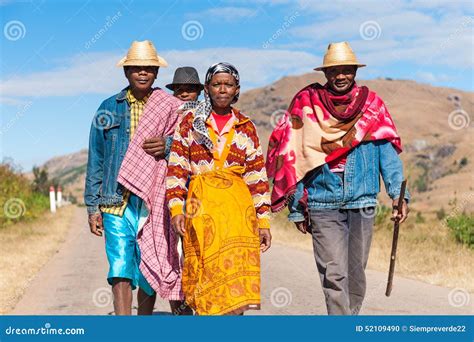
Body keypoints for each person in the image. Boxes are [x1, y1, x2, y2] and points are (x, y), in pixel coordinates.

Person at [266, 42, 410, 315]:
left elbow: (387, 153)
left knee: (356, 274)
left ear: (355, 71)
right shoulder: (306, 105)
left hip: (363, 201)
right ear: (326, 73)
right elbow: (293, 154)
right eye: (334, 71)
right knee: (334, 274)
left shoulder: (372, 106)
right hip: (322, 202)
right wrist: (297, 208)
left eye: (346, 70)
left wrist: (398, 196)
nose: (340, 76)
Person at [166, 62, 272, 315]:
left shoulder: (246, 126)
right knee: (204, 271)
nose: (222, 89)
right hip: (199, 209)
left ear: (236, 89)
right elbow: (177, 169)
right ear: (207, 88)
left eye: (228, 84)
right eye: (216, 84)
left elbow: (257, 177)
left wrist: (264, 222)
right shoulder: (191, 123)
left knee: (234, 276)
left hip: (238, 213)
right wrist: (176, 209)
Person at [85, 40, 171, 315]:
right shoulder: (108, 108)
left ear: (156, 73)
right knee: (120, 263)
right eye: (136, 68)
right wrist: (92, 206)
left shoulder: (168, 106)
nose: (143, 73)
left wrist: (168, 145)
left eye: (148, 68)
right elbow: (96, 157)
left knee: (150, 263)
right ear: (126, 72)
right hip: (115, 199)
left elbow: (187, 145)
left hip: (154, 198)